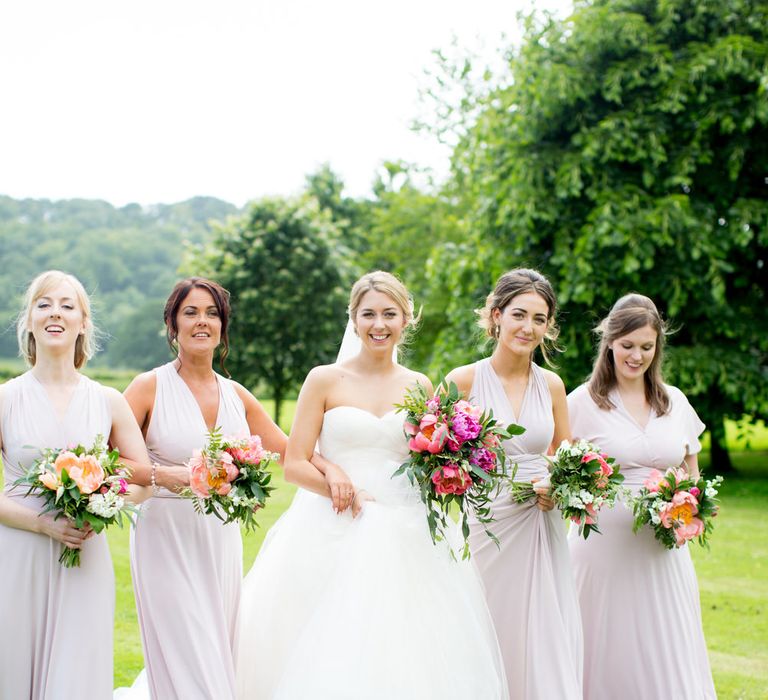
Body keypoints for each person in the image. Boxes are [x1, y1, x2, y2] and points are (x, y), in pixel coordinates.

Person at [236, 270, 507, 699]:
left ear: (406, 319)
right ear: (354, 319)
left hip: (408, 529)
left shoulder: (419, 385)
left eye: (389, 314)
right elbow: (294, 462)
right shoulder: (324, 379)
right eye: (368, 314)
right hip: (332, 521)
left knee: (408, 644)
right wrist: (335, 479)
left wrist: (453, 469)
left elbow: (423, 458)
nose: (379, 324)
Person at [123, 277, 305, 700]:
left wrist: (342, 460)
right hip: (164, 539)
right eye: (191, 312)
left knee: (217, 649)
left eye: (212, 313)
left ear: (223, 325)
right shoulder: (147, 387)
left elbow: (291, 452)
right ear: (172, 324)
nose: (202, 321)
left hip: (219, 541)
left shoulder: (237, 394)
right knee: (191, 656)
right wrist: (161, 476)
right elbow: (107, 459)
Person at [0, 270, 150, 700]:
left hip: (84, 554)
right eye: (44, 304)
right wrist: (44, 525)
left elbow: (142, 480)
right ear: (28, 321)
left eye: (67, 306)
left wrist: (101, 507)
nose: (55, 314)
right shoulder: (6, 398)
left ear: (84, 323)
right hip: (16, 555)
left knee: (77, 670)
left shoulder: (107, 401)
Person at [567, 293, 716, 699]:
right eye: (628, 345)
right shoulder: (581, 403)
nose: (637, 356)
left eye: (646, 347)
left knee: (666, 640)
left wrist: (687, 509)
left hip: (661, 553)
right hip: (602, 551)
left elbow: (692, 477)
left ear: (657, 346)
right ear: (610, 342)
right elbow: (561, 471)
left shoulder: (674, 402)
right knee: (606, 639)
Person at [446, 268, 582, 700]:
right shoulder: (462, 381)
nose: (528, 327)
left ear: (548, 326)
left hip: (542, 524)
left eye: (539, 319)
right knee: (487, 621)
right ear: (496, 315)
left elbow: (567, 456)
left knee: (541, 629)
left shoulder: (553, 385)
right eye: (519, 315)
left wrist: (555, 485)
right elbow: (431, 458)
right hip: (487, 523)